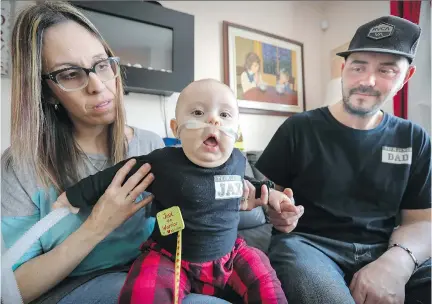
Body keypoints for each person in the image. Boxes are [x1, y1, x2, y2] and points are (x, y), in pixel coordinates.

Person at [0, 2, 249, 304]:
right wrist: (96, 226)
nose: (97, 85)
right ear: (47, 91)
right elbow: (12, 290)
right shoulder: (22, 166)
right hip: (77, 287)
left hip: (157, 267)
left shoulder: (149, 144)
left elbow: (172, 218)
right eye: (69, 74)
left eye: (102, 65)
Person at [55, 78, 290, 304]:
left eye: (224, 115)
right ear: (176, 129)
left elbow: (248, 184)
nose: (213, 120)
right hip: (171, 257)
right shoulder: (163, 162)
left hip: (230, 254)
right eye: (198, 113)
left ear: (235, 132)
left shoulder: (237, 161)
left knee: (266, 281)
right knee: (144, 292)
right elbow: (117, 175)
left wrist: (273, 194)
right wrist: (73, 196)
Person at [256, 15, 431, 304]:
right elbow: (263, 196)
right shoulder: (298, 128)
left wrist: (396, 264)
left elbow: (422, 221)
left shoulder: (414, 138)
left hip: (385, 247)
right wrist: (276, 209)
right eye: (358, 67)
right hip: (308, 246)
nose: (367, 81)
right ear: (343, 68)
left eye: (386, 70)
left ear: (406, 77)